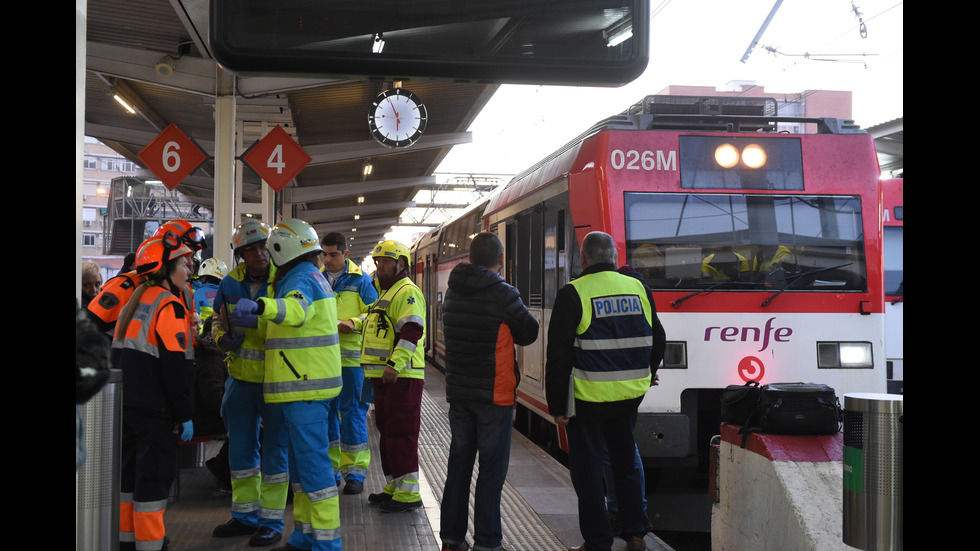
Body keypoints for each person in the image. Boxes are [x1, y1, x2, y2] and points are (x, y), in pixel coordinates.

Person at [230, 218, 343, 551]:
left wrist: (263, 306)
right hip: (302, 389)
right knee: (301, 473)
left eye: (269, 247)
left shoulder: (300, 279)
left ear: (282, 249)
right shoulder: (308, 275)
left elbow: (295, 310)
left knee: (314, 471)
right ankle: (305, 536)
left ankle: (325, 543)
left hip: (305, 389)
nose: (265, 253)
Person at [545, 231, 658, 551]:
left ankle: (597, 542)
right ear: (614, 257)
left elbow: (558, 356)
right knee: (625, 465)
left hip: (587, 401)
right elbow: (657, 338)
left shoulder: (573, 293)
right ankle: (635, 534)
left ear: (583, 259)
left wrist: (557, 407)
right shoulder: (638, 288)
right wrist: (650, 374)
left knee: (589, 475)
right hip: (628, 399)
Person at [439, 232, 539, 551]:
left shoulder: (452, 290)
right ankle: (487, 542)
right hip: (494, 395)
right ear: (500, 259)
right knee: (492, 471)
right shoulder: (503, 292)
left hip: (459, 393)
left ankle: (452, 538)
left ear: (469, 257)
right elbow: (529, 333)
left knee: (459, 466)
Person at [112, 231, 197, 551]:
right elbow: (176, 368)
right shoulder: (170, 307)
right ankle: (151, 546)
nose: (189, 268)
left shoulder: (134, 303)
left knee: (129, 481)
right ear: (165, 268)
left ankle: (126, 543)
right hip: (156, 413)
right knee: (153, 483)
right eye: (183, 263)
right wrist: (185, 413)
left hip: (128, 407)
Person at [210, 218, 288, 547]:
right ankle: (245, 516)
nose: (259, 254)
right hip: (240, 380)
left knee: (275, 453)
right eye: (251, 249)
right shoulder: (230, 283)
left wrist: (259, 319)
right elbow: (216, 319)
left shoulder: (283, 279)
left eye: (263, 247)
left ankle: (271, 521)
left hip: (276, 382)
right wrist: (221, 339)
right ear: (241, 254)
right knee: (241, 452)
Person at [340, 239, 426, 513]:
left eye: (385, 261)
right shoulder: (386, 292)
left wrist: (394, 365)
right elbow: (375, 321)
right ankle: (395, 485)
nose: (379, 266)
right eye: (377, 262)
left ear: (402, 264)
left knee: (401, 433)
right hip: (385, 377)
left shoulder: (407, 292)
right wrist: (354, 323)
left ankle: (409, 494)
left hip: (401, 376)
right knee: (388, 432)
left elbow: (412, 330)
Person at [320, 232, 379, 495]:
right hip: (323, 358)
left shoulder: (361, 280)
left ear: (345, 254)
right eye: (324, 254)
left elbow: (375, 314)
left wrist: (354, 323)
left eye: (333, 254)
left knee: (354, 414)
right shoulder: (317, 278)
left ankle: (355, 473)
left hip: (353, 362)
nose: (327, 259)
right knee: (327, 415)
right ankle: (331, 471)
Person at [87, 220, 205, 337]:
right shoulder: (125, 286)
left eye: (192, 255)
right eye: (185, 256)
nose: (190, 262)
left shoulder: (185, 291)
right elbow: (87, 330)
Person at [194, 257, 228, 330]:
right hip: (222, 335)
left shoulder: (197, 294)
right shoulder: (227, 294)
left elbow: (194, 320)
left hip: (204, 336)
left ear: (204, 277)